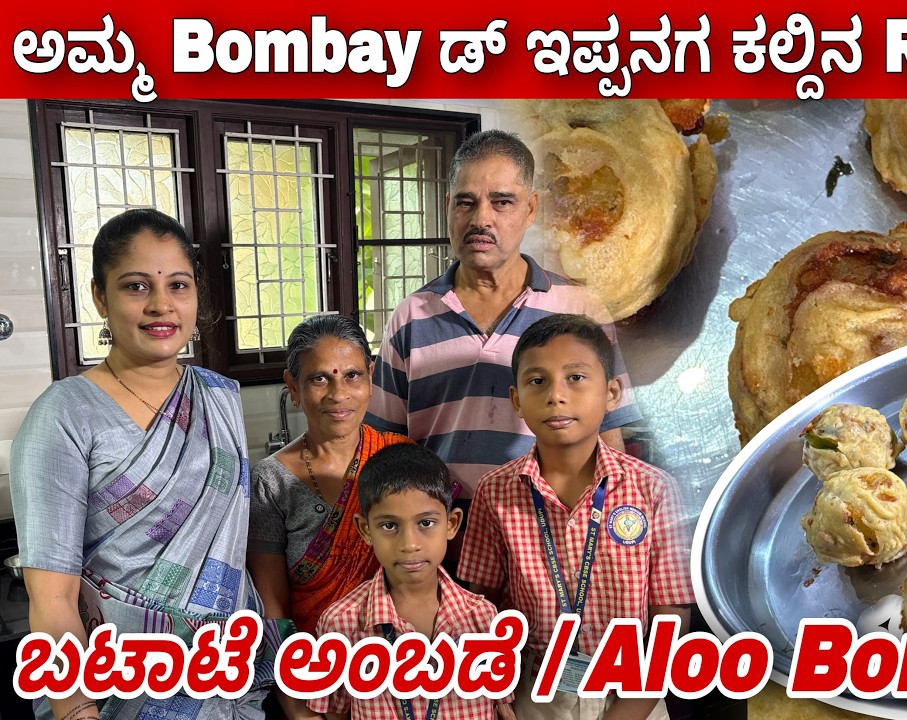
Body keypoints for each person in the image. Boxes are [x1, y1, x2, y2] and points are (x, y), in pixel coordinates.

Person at [11, 208, 277, 720]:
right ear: (99, 297)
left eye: (178, 285)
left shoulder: (218, 397)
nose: (161, 305)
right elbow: (53, 598)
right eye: (135, 286)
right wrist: (76, 710)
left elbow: (230, 553)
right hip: (117, 691)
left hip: (227, 680)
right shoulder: (65, 414)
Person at [365, 129, 642, 502]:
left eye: (502, 202)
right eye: (465, 202)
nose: (481, 219)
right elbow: (385, 448)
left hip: (555, 536)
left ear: (530, 209)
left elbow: (609, 437)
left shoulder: (581, 308)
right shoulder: (411, 317)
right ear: (447, 206)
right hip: (444, 542)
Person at [458, 313, 695, 720]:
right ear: (517, 400)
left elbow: (671, 622)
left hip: (633, 696)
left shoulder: (653, 490)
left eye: (576, 378)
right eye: (537, 381)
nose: (556, 395)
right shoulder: (495, 492)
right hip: (532, 694)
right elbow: (477, 608)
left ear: (613, 393)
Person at [247, 314, 414, 718]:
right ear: (293, 387)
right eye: (320, 379)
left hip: (401, 668)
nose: (339, 394)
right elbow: (272, 606)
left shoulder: (400, 459)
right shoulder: (271, 480)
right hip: (312, 674)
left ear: (371, 378)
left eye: (353, 376)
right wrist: (296, 706)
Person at [308, 443, 514, 720]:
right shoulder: (341, 624)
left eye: (426, 523)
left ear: (451, 524)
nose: (410, 544)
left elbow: (502, 709)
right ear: (366, 530)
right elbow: (334, 713)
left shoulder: (484, 619)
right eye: (389, 526)